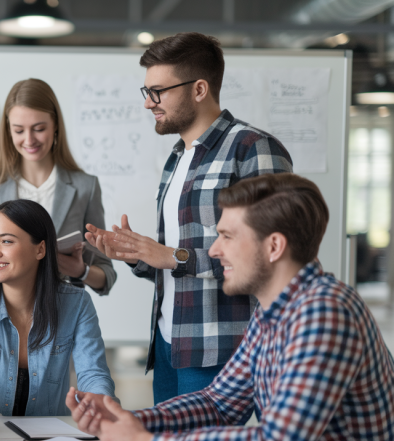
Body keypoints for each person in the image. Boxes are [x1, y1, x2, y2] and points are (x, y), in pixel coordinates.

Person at [70, 174, 394, 441]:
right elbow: (219, 404)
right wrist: (132, 421)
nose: (213, 250)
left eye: (226, 236)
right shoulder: (273, 309)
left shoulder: (324, 313)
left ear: (274, 247)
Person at [86, 32, 293, 403]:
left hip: (222, 349)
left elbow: (269, 256)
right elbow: (177, 266)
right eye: (145, 91)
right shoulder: (176, 158)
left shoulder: (253, 149)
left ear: (199, 89)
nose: (149, 104)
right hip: (168, 344)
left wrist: (172, 256)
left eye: (158, 92)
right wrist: (138, 255)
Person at [0, 199, 116, 431]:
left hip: (50, 438)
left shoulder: (77, 303)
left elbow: (93, 374)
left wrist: (100, 401)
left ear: (40, 249)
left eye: (7, 241)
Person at [0, 78, 116, 295]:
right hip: (1, 317)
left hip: (63, 315)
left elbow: (106, 276)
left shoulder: (86, 187)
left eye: (39, 128)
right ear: (8, 130)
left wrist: (80, 270)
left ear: (55, 126)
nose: (29, 140)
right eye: (18, 130)